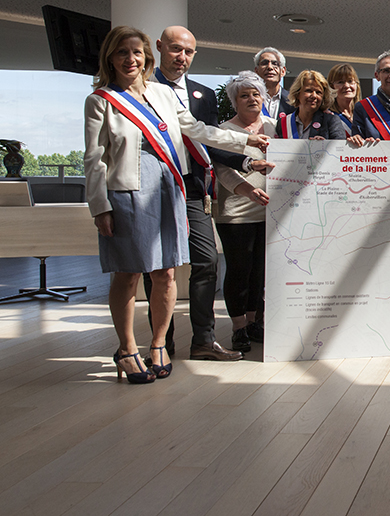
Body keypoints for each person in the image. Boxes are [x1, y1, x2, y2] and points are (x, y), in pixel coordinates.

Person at [84, 26, 267, 383]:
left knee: (166, 274)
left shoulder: (163, 94)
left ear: (146, 57)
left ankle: (158, 347)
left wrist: (245, 140)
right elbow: (94, 159)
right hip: (127, 193)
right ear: (110, 57)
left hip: (171, 188)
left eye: (136, 53)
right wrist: (99, 206)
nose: (130, 59)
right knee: (128, 274)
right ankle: (127, 349)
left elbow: (197, 130)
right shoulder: (101, 100)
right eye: (122, 52)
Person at [151, 25, 271, 362]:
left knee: (207, 263)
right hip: (155, 187)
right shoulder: (145, 89)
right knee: (158, 269)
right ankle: (162, 343)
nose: (182, 57)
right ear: (159, 47)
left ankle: (203, 341)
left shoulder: (201, 95)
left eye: (188, 51)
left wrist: (246, 156)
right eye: (175, 49)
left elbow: (206, 139)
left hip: (194, 189)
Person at [215, 71, 274, 352]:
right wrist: (247, 190)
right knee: (239, 270)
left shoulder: (275, 126)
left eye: (256, 94)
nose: (252, 99)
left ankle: (253, 322)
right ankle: (238, 327)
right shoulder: (224, 130)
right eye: (244, 95)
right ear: (234, 101)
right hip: (236, 212)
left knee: (259, 272)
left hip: (270, 212)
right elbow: (223, 170)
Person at [276, 70, 347, 139]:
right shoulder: (283, 123)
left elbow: (340, 146)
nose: (314, 96)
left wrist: (324, 144)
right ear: (297, 93)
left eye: (318, 92)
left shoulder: (331, 121)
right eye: (308, 91)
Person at [254, 47, 294, 118]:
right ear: (256, 71)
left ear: (283, 71)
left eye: (275, 64)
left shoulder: (293, 100)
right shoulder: (248, 100)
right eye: (264, 63)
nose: (270, 67)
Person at [327, 63, 361, 134]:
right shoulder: (328, 115)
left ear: (356, 85)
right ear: (332, 87)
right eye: (340, 82)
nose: (346, 86)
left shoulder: (363, 114)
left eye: (350, 81)